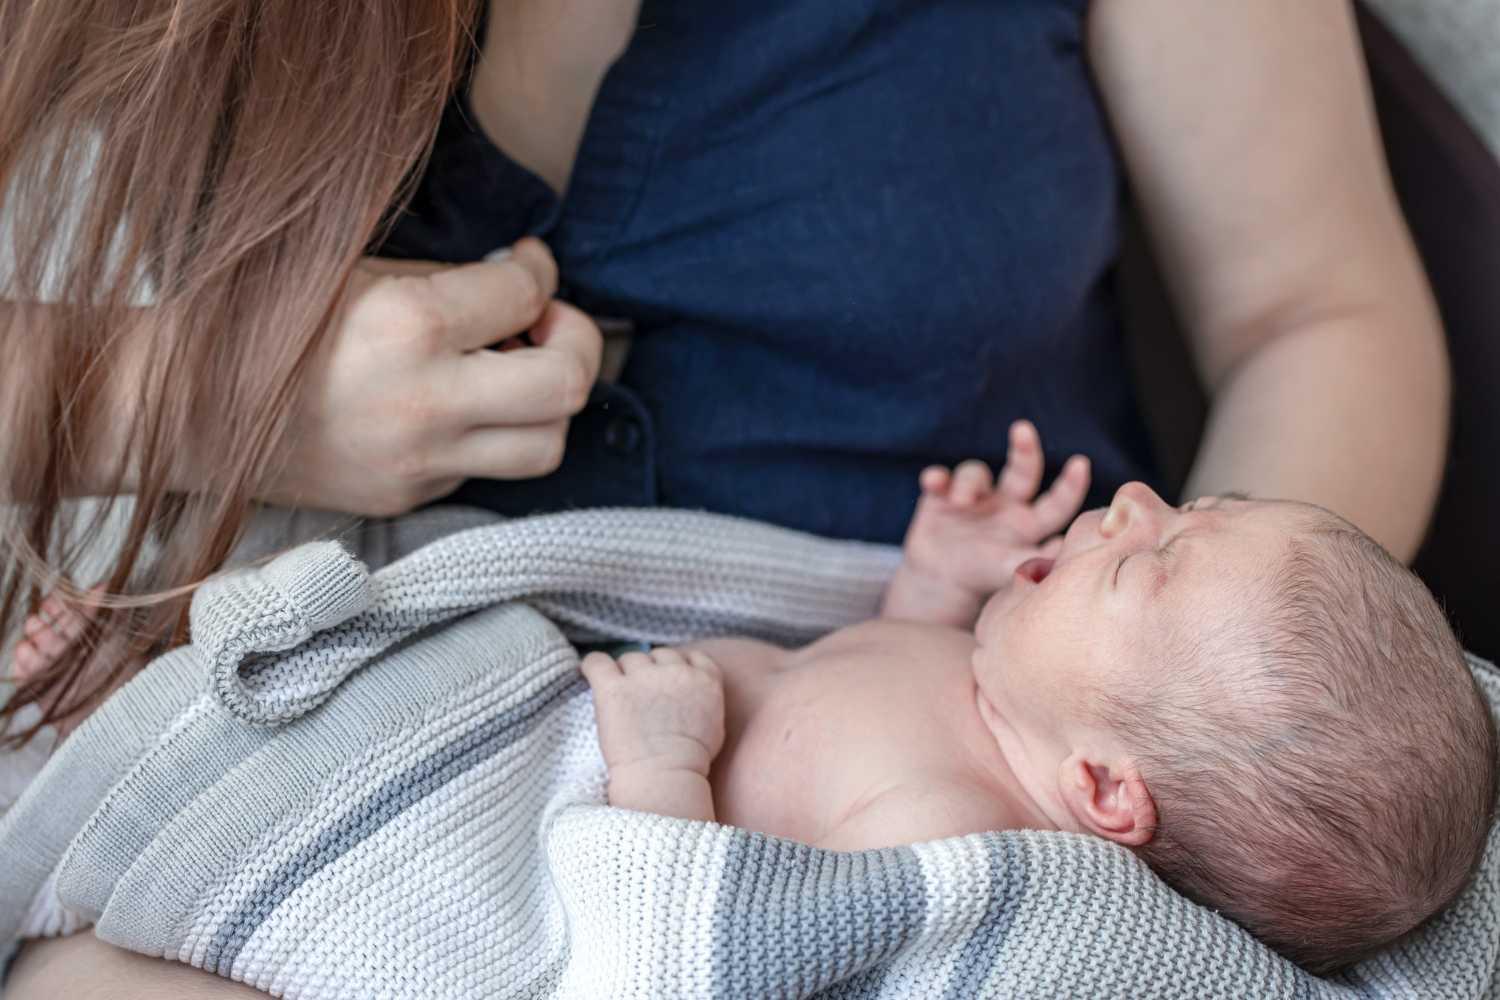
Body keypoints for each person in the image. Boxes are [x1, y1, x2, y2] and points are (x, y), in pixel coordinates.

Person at [0, 0, 1452, 995]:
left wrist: (1227, 726)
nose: (1127, 516)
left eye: (1154, 555)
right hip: (414, 710)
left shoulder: (1006, 824)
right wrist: (187, 395)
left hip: (777, 761)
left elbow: (1316, 312)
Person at [584, 427, 1496, 974]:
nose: (1137, 495)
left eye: (1146, 564)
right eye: (1200, 503)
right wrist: (931, 585)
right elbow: (861, 685)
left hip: (613, 774)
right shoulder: (1004, 702)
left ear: (1103, 788)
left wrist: (659, 769)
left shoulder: (944, 834)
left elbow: (701, 948)